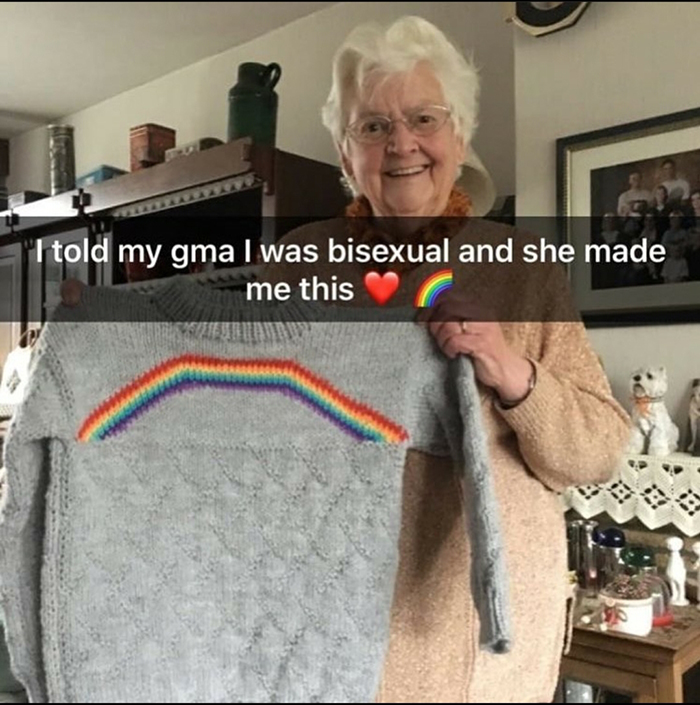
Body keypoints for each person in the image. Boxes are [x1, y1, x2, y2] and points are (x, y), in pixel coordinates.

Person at [60, 16, 630, 703]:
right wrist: (114, 334)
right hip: (323, 628)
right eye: (373, 126)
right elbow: (230, 410)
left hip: (478, 650)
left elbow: (599, 451)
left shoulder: (524, 268)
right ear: (344, 153)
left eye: (424, 118)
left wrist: (511, 371)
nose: (401, 143)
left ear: (460, 136)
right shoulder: (298, 261)